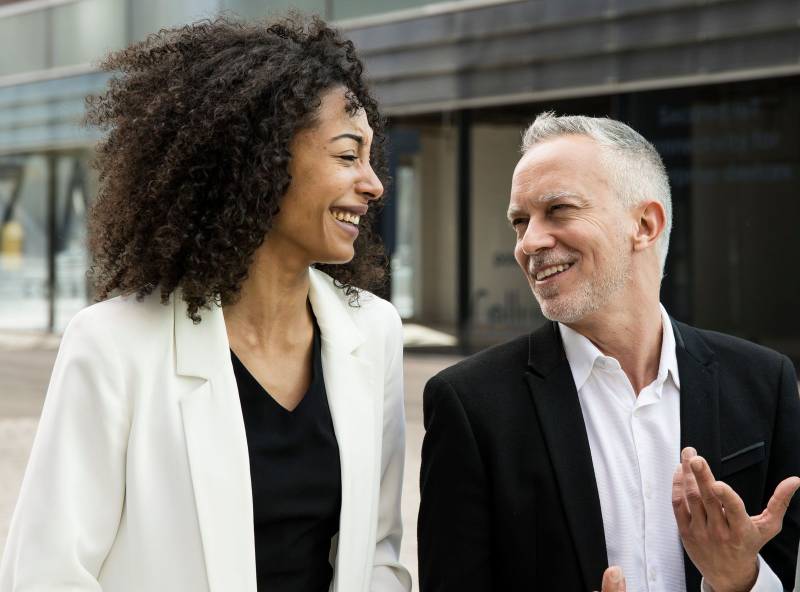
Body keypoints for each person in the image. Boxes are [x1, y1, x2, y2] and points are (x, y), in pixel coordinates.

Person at [0, 16, 411, 592]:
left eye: (371, 158)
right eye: (347, 156)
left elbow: (377, 555)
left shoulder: (376, 332)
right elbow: (46, 574)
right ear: (260, 160)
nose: (374, 184)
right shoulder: (115, 344)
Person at [417, 112, 800, 592]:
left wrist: (739, 580)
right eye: (520, 221)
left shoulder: (765, 384)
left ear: (644, 223)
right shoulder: (471, 405)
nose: (529, 242)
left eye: (558, 210)